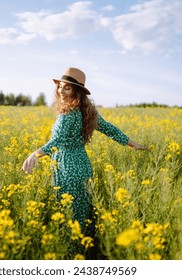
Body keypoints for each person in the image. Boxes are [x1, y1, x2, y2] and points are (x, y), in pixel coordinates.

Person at [22, 67, 149, 257]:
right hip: (82, 166)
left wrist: (35, 154)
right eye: (60, 87)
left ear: (77, 91)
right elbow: (109, 129)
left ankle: (72, 257)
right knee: (81, 214)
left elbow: (56, 141)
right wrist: (133, 144)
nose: (61, 91)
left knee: (69, 217)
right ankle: (86, 253)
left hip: (67, 169)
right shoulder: (86, 110)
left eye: (67, 88)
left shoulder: (69, 114)